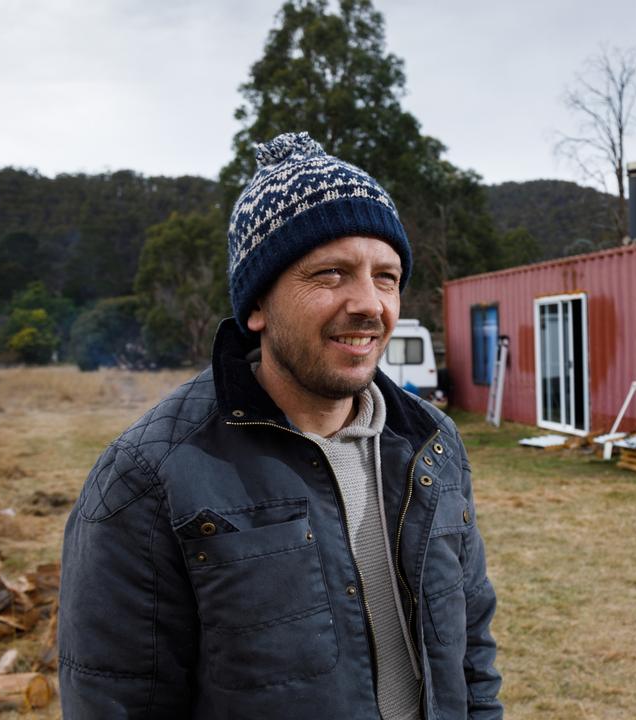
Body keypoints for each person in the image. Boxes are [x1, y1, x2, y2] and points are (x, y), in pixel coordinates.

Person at [58, 132, 502, 718]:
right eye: (331, 273)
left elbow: (470, 653)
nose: (371, 304)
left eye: (387, 276)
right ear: (257, 306)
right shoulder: (147, 479)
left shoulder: (432, 446)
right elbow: (116, 701)